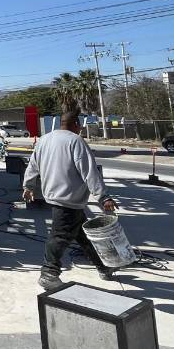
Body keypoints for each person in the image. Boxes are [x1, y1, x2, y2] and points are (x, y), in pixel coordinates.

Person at [22, 109, 118, 291]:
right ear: (76, 124)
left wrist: (28, 186)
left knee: (85, 236)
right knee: (59, 236)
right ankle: (49, 274)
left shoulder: (45, 140)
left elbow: (32, 165)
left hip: (55, 196)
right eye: (80, 126)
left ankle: (103, 267)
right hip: (68, 198)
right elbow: (89, 171)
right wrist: (103, 197)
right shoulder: (75, 141)